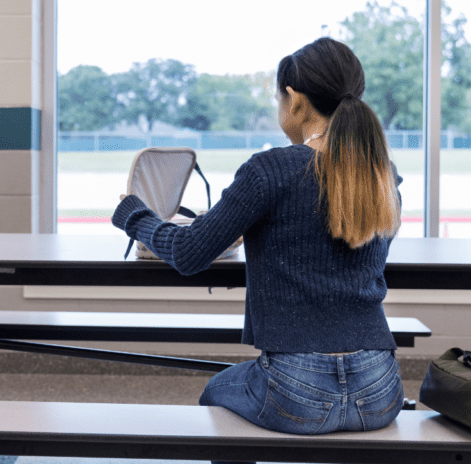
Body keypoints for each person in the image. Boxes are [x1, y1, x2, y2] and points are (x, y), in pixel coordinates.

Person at [111, 37, 404, 443]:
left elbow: (188, 253)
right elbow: (321, 243)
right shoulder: (381, 175)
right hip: (381, 390)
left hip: (297, 390)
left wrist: (134, 215)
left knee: (215, 392)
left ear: (294, 100)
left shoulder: (271, 169)